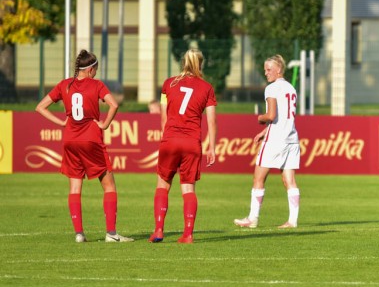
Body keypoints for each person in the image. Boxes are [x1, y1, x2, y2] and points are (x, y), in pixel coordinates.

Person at [35, 49, 133, 243]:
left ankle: (79, 234)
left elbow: (40, 106)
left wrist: (62, 122)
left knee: (74, 187)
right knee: (109, 185)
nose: (96, 73)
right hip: (91, 139)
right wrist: (104, 124)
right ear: (90, 69)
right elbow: (114, 105)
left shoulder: (65, 85)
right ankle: (112, 234)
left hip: (70, 140)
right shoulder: (96, 85)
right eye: (96, 69)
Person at [149, 48, 218, 244]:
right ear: (200, 64)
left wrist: (166, 139)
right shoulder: (207, 88)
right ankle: (188, 234)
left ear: (183, 62)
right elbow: (212, 121)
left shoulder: (168, 84)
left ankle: (159, 230)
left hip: (170, 139)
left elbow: (163, 118)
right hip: (191, 142)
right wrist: (212, 146)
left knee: (163, 184)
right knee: (188, 189)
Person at [234, 55, 301, 229]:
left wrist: (260, 119)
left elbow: (271, 116)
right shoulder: (291, 88)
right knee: (289, 180)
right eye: (265, 69)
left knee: (258, 178)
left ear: (279, 69)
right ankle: (292, 221)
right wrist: (265, 131)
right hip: (291, 138)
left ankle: (252, 218)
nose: (266, 73)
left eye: (269, 69)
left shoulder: (271, 89)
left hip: (276, 141)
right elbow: (284, 117)